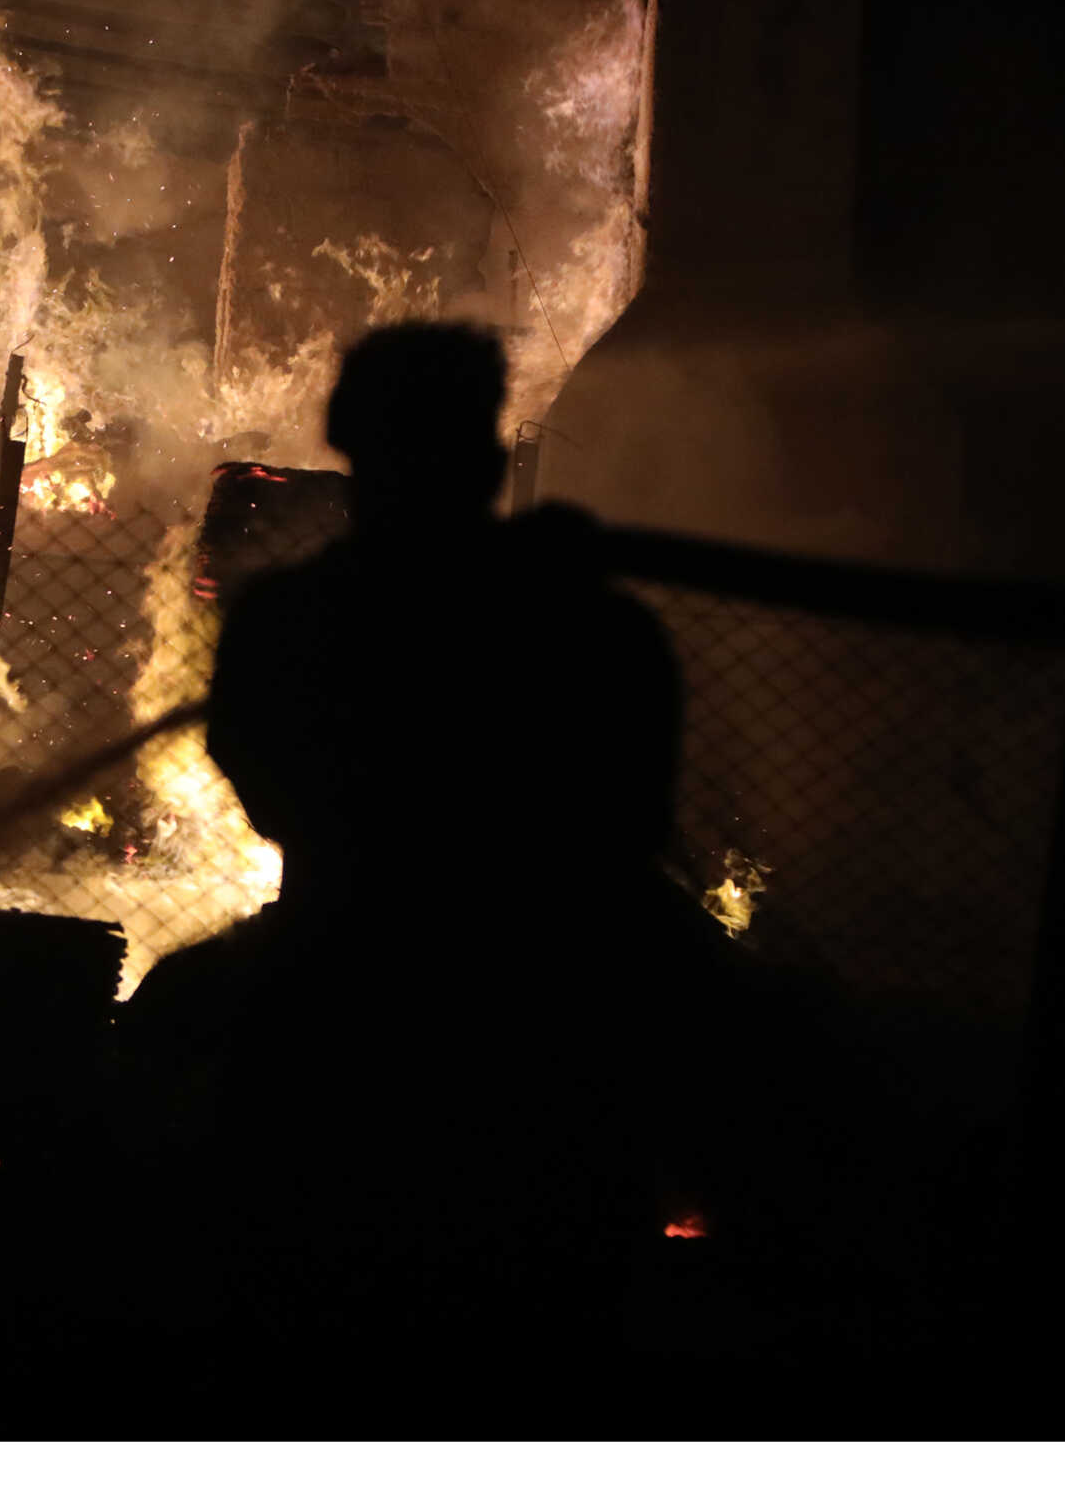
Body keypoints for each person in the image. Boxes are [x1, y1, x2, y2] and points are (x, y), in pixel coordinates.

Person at [181, 321, 713, 1315]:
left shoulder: (287, 622)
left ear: (344, 441)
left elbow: (260, 786)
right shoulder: (598, 631)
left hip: (329, 1028)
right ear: (484, 449)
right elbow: (631, 827)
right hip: (548, 1057)